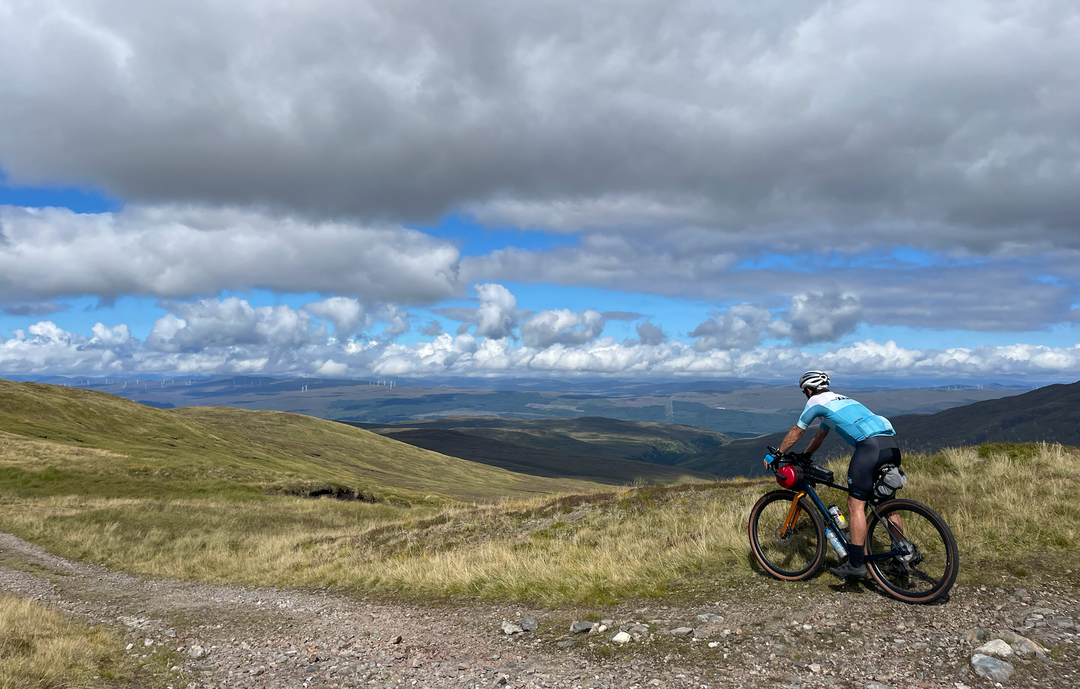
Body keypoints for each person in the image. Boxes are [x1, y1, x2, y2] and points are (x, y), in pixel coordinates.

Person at [764, 370, 901, 580]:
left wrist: (777, 455)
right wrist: (805, 455)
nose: (805, 395)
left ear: (809, 390)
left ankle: (856, 565)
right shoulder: (840, 401)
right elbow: (820, 435)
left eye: (804, 392)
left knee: (856, 505)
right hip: (890, 445)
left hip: (869, 448)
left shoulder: (816, 402)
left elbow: (798, 430)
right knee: (888, 505)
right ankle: (900, 557)